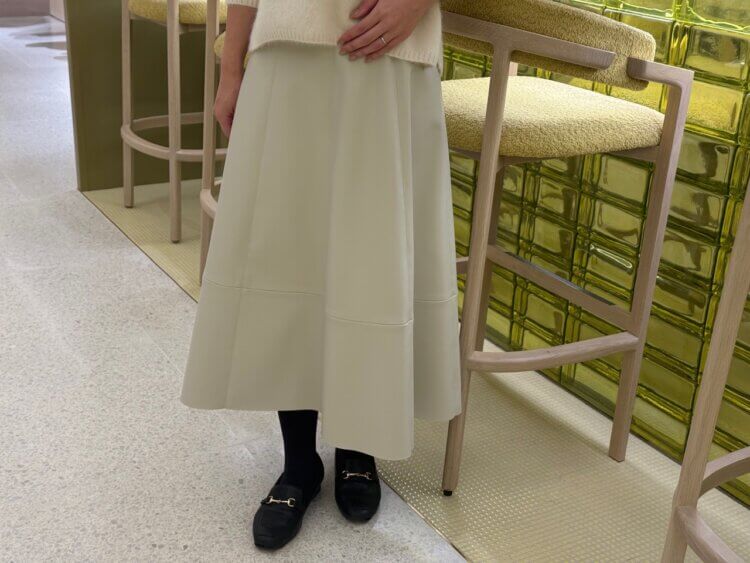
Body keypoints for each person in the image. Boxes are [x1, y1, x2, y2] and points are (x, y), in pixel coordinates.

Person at [181, 0, 461, 550]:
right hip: (287, 39)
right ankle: (299, 461)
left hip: (390, 47)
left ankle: (358, 444)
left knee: (373, 256)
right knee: (288, 252)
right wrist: (231, 67)